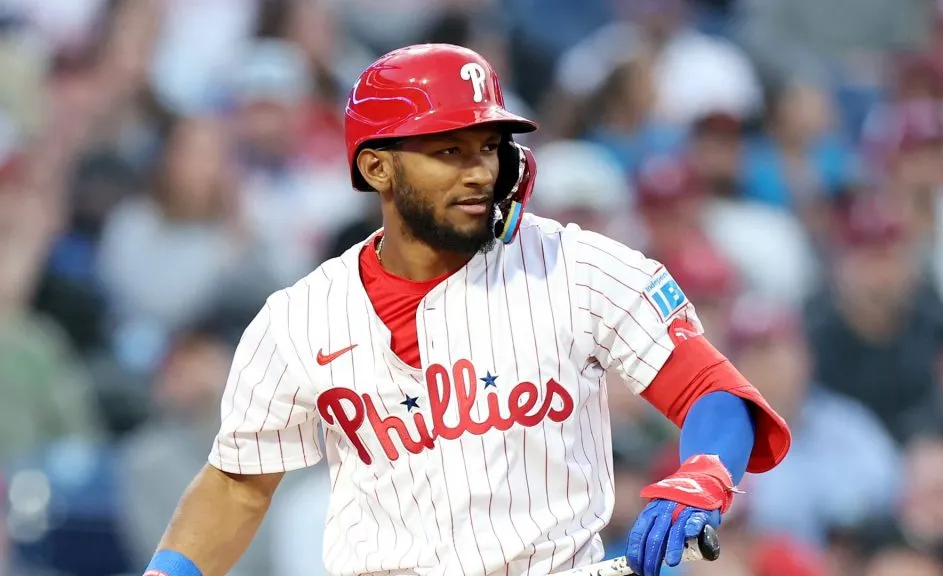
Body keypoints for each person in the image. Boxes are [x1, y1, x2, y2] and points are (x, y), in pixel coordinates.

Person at [141, 43, 792, 576]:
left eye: (488, 146)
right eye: (448, 150)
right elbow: (237, 485)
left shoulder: (576, 267)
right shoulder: (298, 318)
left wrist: (704, 471)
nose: (479, 171)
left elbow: (711, 389)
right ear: (377, 169)